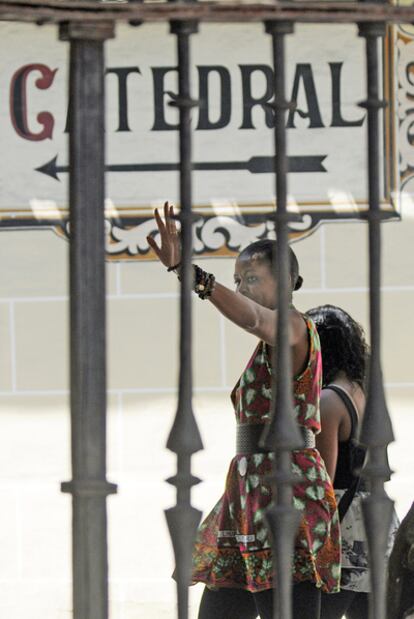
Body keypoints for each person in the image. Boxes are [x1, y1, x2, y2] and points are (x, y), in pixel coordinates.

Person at [148, 203, 341, 619]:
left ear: (287, 283)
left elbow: (254, 318)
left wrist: (192, 272)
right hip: (249, 488)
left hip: (284, 487)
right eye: (238, 280)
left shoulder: (292, 325)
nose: (243, 288)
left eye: (252, 278)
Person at [307, 304, 399, 619]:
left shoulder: (329, 400)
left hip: (345, 531)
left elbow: (324, 479)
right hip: (378, 520)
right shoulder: (364, 390)